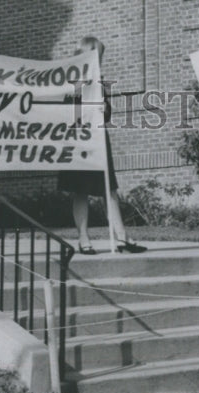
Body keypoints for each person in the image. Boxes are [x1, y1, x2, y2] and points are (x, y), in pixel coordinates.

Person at [58, 36, 145, 255]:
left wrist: (103, 106)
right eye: (96, 56)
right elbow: (67, 112)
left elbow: (107, 113)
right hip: (79, 138)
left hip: (99, 138)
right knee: (81, 191)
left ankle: (122, 237)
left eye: (100, 57)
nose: (99, 61)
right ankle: (83, 238)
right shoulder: (71, 81)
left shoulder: (99, 81)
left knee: (110, 189)